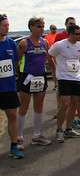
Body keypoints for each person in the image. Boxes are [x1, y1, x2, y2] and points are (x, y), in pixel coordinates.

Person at [16, 17, 53, 149]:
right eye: (39, 26)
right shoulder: (24, 43)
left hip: (40, 76)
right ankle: (19, 137)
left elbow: (48, 58)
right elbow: (17, 60)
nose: (42, 29)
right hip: (27, 76)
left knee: (39, 106)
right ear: (31, 27)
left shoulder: (45, 42)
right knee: (24, 108)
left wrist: (55, 70)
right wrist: (20, 74)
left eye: (43, 26)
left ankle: (37, 135)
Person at [47, 24, 80, 142]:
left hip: (76, 78)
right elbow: (49, 55)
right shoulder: (60, 45)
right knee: (65, 104)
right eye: (78, 34)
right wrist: (55, 67)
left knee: (74, 104)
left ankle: (68, 129)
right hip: (64, 78)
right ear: (71, 34)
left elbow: (78, 59)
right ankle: (59, 130)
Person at [0, 14, 24, 158]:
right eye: (4, 25)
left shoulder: (11, 43)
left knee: (13, 115)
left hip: (8, 87)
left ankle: (14, 146)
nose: (7, 27)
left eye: (8, 25)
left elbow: (15, 63)